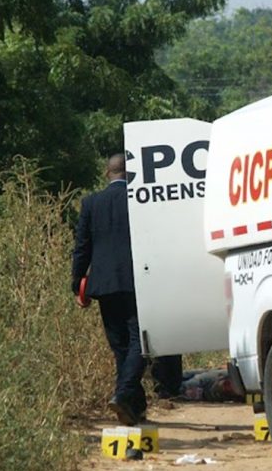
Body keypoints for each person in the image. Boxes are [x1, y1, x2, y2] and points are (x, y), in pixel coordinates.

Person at [71, 153, 183, 425]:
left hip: (104, 284)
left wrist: (77, 284)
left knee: (120, 345)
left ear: (106, 173)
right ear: (131, 174)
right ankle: (124, 395)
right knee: (139, 342)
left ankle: (134, 406)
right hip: (137, 281)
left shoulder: (90, 203)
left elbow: (82, 247)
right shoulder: (140, 200)